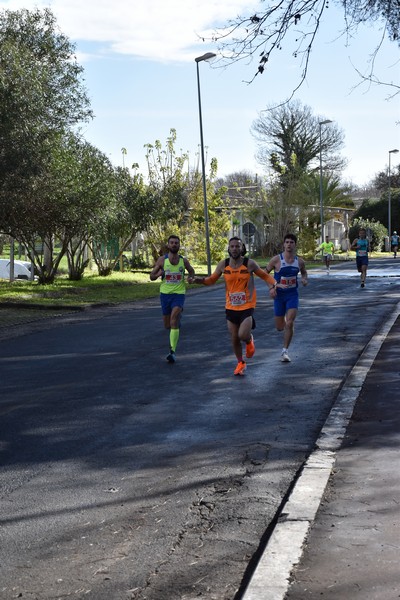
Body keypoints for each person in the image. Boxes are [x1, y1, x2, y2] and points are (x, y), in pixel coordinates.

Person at [189, 236, 282, 376]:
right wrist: (198, 280)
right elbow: (211, 280)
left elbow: (264, 276)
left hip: (247, 305)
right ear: (228, 248)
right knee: (234, 338)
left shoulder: (249, 264)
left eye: (237, 246)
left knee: (242, 334)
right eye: (232, 246)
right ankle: (240, 363)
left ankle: (249, 340)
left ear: (242, 248)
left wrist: (274, 285)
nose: (234, 249)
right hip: (230, 306)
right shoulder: (223, 264)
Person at [150, 235, 195, 363]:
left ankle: (172, 352)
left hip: (179, 294)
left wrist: (190, 278)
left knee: (174, 319)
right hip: (165, 294)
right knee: (167, 325)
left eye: (176, 243)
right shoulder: (162, 261)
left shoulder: (183, 261)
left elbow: (191, 271)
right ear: (168, 245)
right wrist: (159, 274)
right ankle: (176, 320)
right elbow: (151, 276)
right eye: (172, 243)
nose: (174, 245)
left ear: (179, 245)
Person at [265, 233, 308, 363]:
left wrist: (304, 279)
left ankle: (285, 351)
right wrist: (272, 287)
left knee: (289, 323)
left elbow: (304, 272)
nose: (289, 244)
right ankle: (283, 323)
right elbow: (264, 274)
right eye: (287, 242)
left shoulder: (299, 261)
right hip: (279, 296)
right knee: (280, 327)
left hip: (292, 295)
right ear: (284, 244)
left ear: (295, 245)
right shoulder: (276, 260)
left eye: (292, 242)